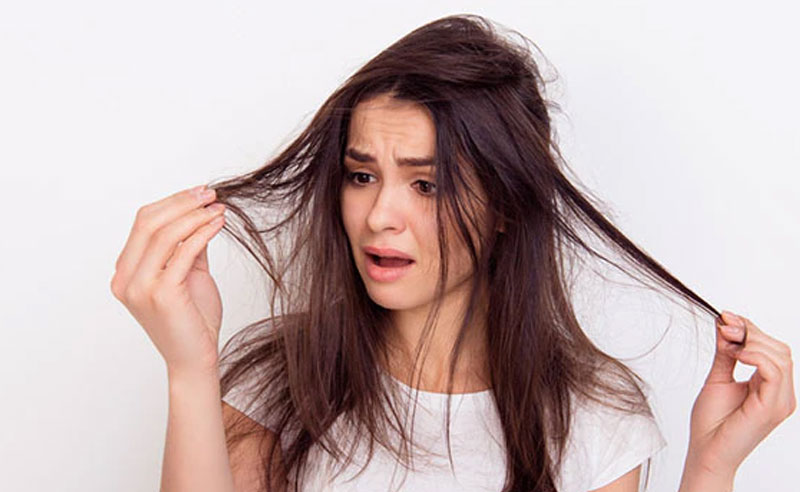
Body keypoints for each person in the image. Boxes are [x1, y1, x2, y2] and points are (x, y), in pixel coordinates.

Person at [110, 14, 795, 492]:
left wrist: (712, 470)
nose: (380, 215)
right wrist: (189, 370)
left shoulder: (594, 419)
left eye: (427, 184)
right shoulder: (280, 381)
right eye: (361, 175)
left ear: (505, 206)